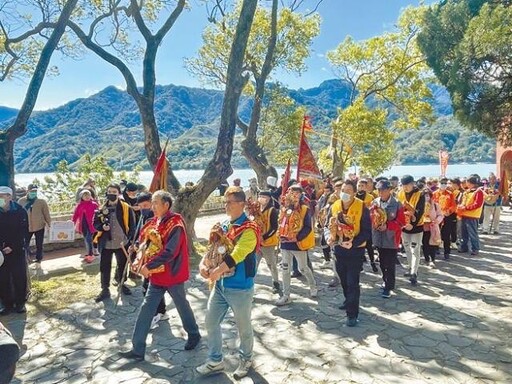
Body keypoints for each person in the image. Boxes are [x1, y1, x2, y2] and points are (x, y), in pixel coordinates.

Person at [120, 191, 201, 361]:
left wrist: (148, 266)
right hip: (156, 276)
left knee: (182, 305)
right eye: (153, 203)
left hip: (172, 274)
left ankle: (194, 333)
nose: (153, 206)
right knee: (146, 308)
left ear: (166, 205)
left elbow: (170, 252)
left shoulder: (176, 224)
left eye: (156, 203)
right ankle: (138, 348)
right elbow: (145, 241)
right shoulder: (154, 222)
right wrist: (136, 247)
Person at [197, 186, 260, 379]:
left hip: (240, 288)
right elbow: (211, 250)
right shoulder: (223, 225)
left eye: (230, 202)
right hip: (220, 287)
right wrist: (203, 264)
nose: (226, 205)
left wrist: (216, 271)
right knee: (211, 322)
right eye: (224, 202)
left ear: (241, 204)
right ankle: (215, 360)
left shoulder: (250, 229)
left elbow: (237, 254)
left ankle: (246, 358)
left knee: (243, 327)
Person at [325, 179, 371, 326]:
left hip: (355, 251)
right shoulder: (334, 205)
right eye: (342, 190)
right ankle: (348, 300)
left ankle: (352, 314)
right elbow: (327, 225)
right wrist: (328, 237)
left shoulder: (362, 207)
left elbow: (367, 232)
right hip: (338, 250)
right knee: (344, 281)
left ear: (354, 192)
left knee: (352, 283)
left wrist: (353, 243)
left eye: (348, 191)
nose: (344, 193)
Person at [276, 184, 317, 306]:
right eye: (292, 192)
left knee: (303, 268)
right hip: (285, 243)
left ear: (301, 195)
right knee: (285, 269)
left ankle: (313, 286)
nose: (294, 195)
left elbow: (308, 227)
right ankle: (286, 295)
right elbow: (280, 222)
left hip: (297, 244)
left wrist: (297, 237)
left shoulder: (305, 209)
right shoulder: (284, 208)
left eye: (297, 193)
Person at [93, 183, 136, 302]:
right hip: (106, 243)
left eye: (114, 192)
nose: (112, 194)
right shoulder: (101, 209)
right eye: (109, 192)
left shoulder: (126, 207)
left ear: (119, 193)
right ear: (106, 193)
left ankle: (121, 283)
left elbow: (132, 225)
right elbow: (95, 223)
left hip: (122, 242)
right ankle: (105, 289)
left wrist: (130, 239)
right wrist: (102, 227)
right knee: (104, 267)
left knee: (122, 265)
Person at [131, 192, 167, 329]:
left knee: (149, 288)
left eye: (145, 205)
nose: (143, 209)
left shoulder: (157, 220)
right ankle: (161, 311)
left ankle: (155, 314)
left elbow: (156, 242)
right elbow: (140, 235)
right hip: (145, 258)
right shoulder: (143, 217)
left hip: (154, 260)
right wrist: (134, 245)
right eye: (140, 207)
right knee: (152, 287)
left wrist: (142, 247)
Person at [371, 180, 406, 299]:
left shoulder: (397, 204)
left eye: (383, 190)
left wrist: (388, 226)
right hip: (379, 237)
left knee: (390, 263)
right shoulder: (375, 202)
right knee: (381, 262)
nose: (381, 192)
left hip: (391, 238)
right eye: (379, 190)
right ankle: (384, 280)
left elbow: (401, 222)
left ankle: (389, 286)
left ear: (389, 190)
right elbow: (371, 216)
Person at [0, 186, 29, 315]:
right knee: (3, 278)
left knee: (19, 277)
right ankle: (7, 304)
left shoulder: (19, 211)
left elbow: (23, 232)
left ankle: (20, 303)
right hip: (1, 252)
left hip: (17, 249)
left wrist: (13, 246)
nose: (0, 198)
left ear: (10, 197)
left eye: (2, 195)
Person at [396, 175, 425, 286]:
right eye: (403, 185)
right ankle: (410, 267)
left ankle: (414, 272)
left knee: (415, 249)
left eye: (407, 185)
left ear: (413, 184)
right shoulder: (400, 193)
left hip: (416, 226)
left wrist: (412, 223)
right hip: (404, 226)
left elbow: (420, 210)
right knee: (407, 247)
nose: (405, 187)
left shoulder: (420, 194)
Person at [18, 184, 51, 264]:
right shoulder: (21, 201)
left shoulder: (41, 202)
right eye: (32, 191)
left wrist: (50, 224)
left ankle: (39, 258)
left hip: (39, 226)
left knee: (39, 244)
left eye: (35, 191)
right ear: (28, 191)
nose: (34, 192)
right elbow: (18, 214)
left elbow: (46, 214)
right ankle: (26, 258)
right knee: (25, 244)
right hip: (26, 227)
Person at [256, 190, 280, 294]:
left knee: (271, 265)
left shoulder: (272, 210)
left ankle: (275, 283)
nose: (261, 198)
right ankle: (249, 284)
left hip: (268, 243)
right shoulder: (256, 210)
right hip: (257, 243)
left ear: (269, 198)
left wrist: (264, 237)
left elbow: (274, 228)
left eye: (264, 196)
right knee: (254, 264)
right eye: (260, 196)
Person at [457, 175, 484, 256]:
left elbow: (477, 204)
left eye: (467, 182)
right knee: (463, 233)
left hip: (472, 215)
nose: (466, 183)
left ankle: (475, 248)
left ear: (470, 183)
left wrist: (466, 208)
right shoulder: (466, 191)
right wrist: (461, 206)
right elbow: (463, 201)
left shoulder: (478, 192)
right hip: (464, 214)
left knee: (472, 233)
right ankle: (464, 247)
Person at [356, 179, 378, 273]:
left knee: (369, 245)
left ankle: (372, 262)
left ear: (366, 187)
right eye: (359, 186)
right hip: (357, 223)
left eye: (362, 186)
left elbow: (374, 210)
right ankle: (360, 265)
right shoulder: (354, 196)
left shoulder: (370, 197)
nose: (360, 187)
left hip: (367, 223)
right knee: (359, 245)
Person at [71, 190, 99, 263]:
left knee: (89, 238)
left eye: (88, 195)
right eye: (85, 195)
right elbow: (75, 215)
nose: (87, 197)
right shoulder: (79, 205)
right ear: (82, 197)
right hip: (83, 225)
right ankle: (89, 253)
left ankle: (90, 254)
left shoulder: (94, 204)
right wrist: (72, 222)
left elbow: (98, 214)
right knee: (86, 239)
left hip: (91, 225)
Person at [433, 178, 457, 259]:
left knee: (446, 235)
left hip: (447, 216)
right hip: (437, 217)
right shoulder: (434, 193)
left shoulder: (450, 194)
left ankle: (447, 252)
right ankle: (436, 249)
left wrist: (449, 211)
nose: (443, 184)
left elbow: (453, 205)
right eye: (442, 183)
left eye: (445, 183)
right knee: (436, 233)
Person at [422, 189, 444, 268]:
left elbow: (440, 215)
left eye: (427, 196)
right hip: (423, 227)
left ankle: (432, 259)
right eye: (424, 196)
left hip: (433, 227)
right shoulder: (420, 205)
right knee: (425, 244)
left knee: (433, 244)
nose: (426, 197)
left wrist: (436, 221)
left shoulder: (435, 205)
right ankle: (427, 258)